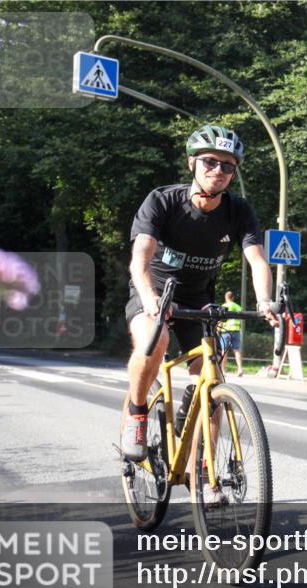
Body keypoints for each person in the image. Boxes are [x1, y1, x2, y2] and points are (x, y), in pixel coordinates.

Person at [121, 123, 279, 464]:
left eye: (227, 166)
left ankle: (203, 461)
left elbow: (256, 260)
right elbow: (140, 259)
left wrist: (264, 302)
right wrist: (150, 299)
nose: (218, 171)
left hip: (197, 297)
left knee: (213, 368)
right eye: (210, 161)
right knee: (155, 339)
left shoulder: (239, 211)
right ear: (193, 163)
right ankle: (136, 414)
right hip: (154, 289)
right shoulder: (162, 201)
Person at [219, 291, 245, 376]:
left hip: (226, 331)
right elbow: (241, 316)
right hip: (236, 330)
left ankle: (223, 370)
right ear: (233, 297)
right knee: (236, 350)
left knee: (224, 351)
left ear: (226, 297)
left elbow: (220, 320)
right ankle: (240, 369)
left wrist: (218, 329)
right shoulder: (237, 306)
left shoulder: (223, 306)